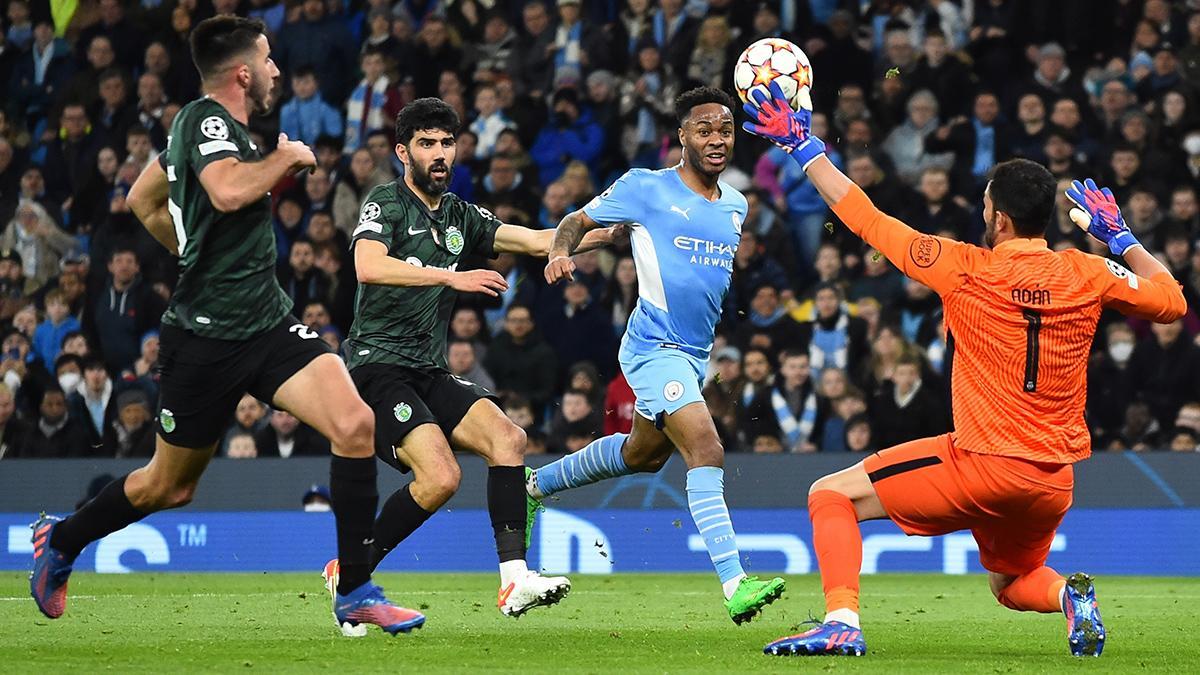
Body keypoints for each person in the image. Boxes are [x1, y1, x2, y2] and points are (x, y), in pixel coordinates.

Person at [744, 79, 1187, 657]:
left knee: (830, 494)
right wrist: (1122, 237)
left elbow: (865, 218)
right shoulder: (1089, 273)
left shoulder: (963, 268)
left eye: (984, 204)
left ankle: (841, 623)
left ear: (999, 218)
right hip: (1054, 480)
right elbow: (1173, 301)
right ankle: (1070, 599)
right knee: (1010, 584)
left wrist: (804, 148)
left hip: (983, 462)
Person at [30, 17, 423, 637]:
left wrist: (193, 250)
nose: (275, 71)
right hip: (205, 340)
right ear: (242, 72)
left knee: (355, 425)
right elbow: (228, 192)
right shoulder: (204, 121)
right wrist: (285, 159)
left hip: (265, 323)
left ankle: (354, 589)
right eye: (267, 61)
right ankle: (62, 538)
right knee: (169, 486)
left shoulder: (222, 133)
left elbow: (142, 198)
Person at [328, 98, 615, 618]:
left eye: (446, 143)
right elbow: (368, 266)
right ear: (402, 152)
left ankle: (514, 581)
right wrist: (451, 276)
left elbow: (536, 239)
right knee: (440, 477)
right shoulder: (385, 204)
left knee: (508, 438)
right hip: (377, 366)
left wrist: (617, 233)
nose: (439, 154)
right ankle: (354, 568)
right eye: (426, 144)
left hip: (427, 368)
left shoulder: (462, 214)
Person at [529, 87, 787, 624]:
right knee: (706, 449)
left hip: (694, 355)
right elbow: (578, 220)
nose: (716, 141)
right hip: (653, 347)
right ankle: (735, 584)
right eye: (705, 131)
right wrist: (558, 250)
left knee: (641, 456)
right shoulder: (645, 187)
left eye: (725, 131)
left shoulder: (738, 205)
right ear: (682, 137)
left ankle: (535, 486)